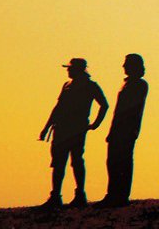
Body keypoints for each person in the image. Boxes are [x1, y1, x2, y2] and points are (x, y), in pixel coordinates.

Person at [39, 58, 108, 207]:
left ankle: (79, 194)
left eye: (70, 68)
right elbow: (58, 107)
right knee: (58, 163)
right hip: (61, 129)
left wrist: (95, 124)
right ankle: (56, 196)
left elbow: (104, 105)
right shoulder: (67, 85)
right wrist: (46, 127)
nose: (68, 70)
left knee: (76, 161)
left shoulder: (90, 86)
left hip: (77, 129)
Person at [100, 53, 148, 207]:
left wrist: (129, 130)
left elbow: (131, 109)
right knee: (112, 162)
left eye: (126, 63)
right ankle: (112, 193)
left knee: (124, 162)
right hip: (118, 129)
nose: (123, 66)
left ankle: (121, 195)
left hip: (127, 130)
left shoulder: (140, 84)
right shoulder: (127, 84)